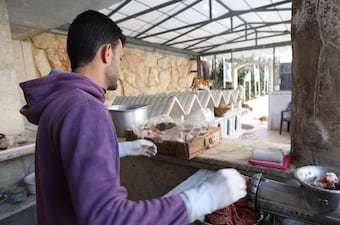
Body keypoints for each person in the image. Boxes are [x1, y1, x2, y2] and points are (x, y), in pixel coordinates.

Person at [19, 10, 246, 225]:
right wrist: (203, 198)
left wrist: (118, 149)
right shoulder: (86, 109)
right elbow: (108, 218)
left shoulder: (60, 102)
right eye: (121, 57)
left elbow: (68, 162)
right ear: (107, 52)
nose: (121, 65)